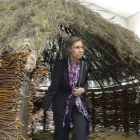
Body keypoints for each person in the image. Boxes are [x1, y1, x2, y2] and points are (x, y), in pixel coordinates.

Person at [41, 36, 90, 140]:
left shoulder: (85, 65)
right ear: (69, 50)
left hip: (78, 104)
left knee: (80, 133)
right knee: (60, 135)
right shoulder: (60, 65)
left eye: (82, 47)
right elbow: (53, 88)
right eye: (76, 47)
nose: (80, 50)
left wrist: (83, 89)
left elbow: (85, 83)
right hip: (61, 103)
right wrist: (43, 109)